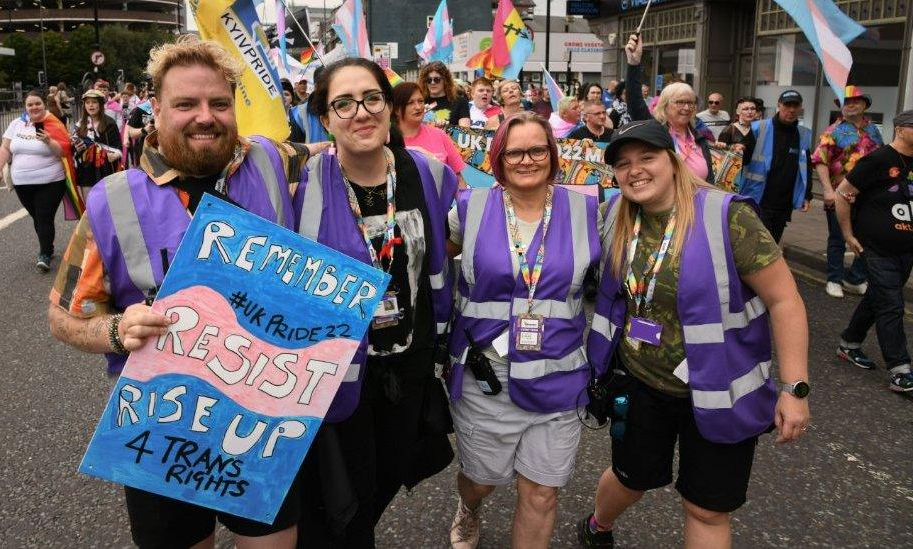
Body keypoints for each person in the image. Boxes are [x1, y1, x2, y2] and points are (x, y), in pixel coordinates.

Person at [47, 35, 311, 549]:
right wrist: (117, 331)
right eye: (185, 104)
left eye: (218, 103)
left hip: (264, 423)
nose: (204, 117)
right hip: (160, 427)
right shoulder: (112, 200)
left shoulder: (271, 162)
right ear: (157, 110)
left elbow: (346, 149)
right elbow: (63, 317)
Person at [578, 119, 810, 548]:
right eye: (623, 164)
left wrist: (794, 388)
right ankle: (598, 525)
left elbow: (785, 300)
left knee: (706, 508)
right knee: (630, 480)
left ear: (674, 159)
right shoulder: (613, 213)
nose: (635, 171)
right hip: (642, 381)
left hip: (720, 387)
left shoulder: (728, 215)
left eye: (647, 158)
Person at [293, 57, 457, 547]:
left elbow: (463, 235)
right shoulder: (301, 185)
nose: (359, 112)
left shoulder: (428, 173)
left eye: (370, 98)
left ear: (388, 107)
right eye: (342, 103)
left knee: (386, 474)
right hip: (338, 373)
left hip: (408, 365)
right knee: (344, 496)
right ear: (325, 118)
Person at [445, 111, 600, 549]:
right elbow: (430, 265)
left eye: (537, 150)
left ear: (552, 155)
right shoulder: (470, 208)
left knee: (541, 493)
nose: (526, 160)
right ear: (498, 158)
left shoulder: (588, 210)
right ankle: (469, 506)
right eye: (515, 151)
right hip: (487, 376)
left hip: (559, 376)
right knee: (481, 480)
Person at [833, 110, 913, 392]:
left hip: (906, 249)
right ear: (900, 129)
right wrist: (847, 235)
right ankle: (900, 369)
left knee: (878, 297)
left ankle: (849, 342)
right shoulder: (878, 159)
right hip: (876, 248)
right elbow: (843, 193)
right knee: (892, 304)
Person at [812, 85, 883, 298]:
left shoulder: (873, 130)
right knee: (837, 238)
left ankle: (855, 278)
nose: (850, 105)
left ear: (864, 105)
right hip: (839, 194)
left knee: (866, 237)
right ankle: (834, 278)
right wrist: (827, 190)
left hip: (867, 196)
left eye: (855, 101)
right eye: (846, 102)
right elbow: (820, 161)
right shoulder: (833, 131)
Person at [0, 90, 76, 272]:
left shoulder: (53, 123)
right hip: (23, 183)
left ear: (44, 104)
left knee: (44, 216)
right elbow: (6, 148)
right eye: (30, 104)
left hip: (51, 181)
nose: (34, 107)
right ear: (25, 107)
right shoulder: (17, 124)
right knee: (37, 218)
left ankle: (44, 254)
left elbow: (63, 151)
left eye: (37, 103)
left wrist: (49, 141)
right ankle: (48, 246)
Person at [624, 35, 715, 182]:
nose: (686, 107)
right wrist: (634, 63)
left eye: (690, 103)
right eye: (680, 102)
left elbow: (710, 178)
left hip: (697, 203)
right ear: (665, 105)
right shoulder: (655, 131)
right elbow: (635, 102)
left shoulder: (698, 137)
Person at [741, 89, 814, 243]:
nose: (792, 110)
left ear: (801, 107)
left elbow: (806, 166)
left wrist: (807, 195)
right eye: (787, 105)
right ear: (779, 106)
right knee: (758, 247)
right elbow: (741, 159)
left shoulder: (803, 134)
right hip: (759, 199)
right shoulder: (758, 128)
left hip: (784, 204)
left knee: (772, 245)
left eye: (796, 106)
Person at [393, 81, 467, 187]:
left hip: (440, 203)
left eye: (421, 101)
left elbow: (458, 180)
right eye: (410, 103)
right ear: (396, 109)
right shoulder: (388, 140)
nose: (418, 107)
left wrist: (464, 202)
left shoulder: (440, 135)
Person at [72, 89, 122, 190]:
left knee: (105, 203)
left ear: (100, 104)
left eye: (94, 102)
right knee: (89, 203)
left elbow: (118, 148)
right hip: (86, 170)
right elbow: (73, 150)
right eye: (88, 102)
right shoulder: (79, 125)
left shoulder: (110, 124)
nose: (91, 105)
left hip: (105, 170)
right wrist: (76, 148)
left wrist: (115, 155)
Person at [418, 61, 469, 127]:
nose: (432, 83)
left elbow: (464, 131)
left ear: (445, 80)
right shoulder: (419, 102)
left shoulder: (460, 102)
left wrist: (446, 128)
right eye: (429, 80)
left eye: (437, 79)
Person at [289, 67, 330, 143]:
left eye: (304, 83)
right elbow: (297, 149)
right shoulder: (298, 114)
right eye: (300, 83)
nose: (303, 85)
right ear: (316, 85)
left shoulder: (344, 108)